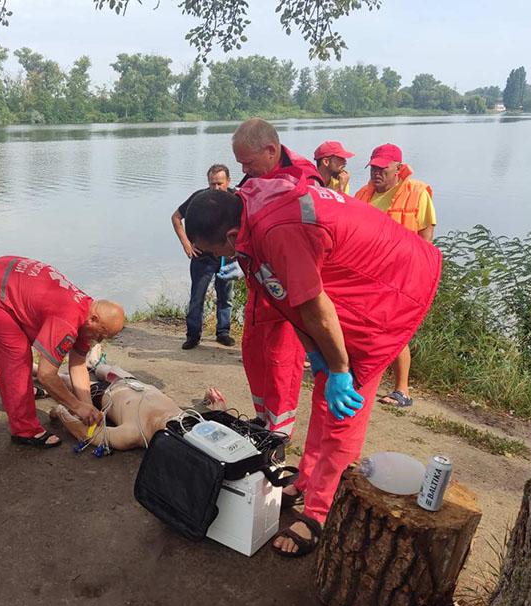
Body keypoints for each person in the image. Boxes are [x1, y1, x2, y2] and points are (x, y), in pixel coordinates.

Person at [183, 169, 441, 558]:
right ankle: (308, 479)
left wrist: (340, 369)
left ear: (231, 236)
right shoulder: (249, 214)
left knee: (343, 407)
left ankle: (320, 510)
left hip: (389, 290)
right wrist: (317, 355)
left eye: (214, 250)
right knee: (323, 392)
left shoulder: (277, 231)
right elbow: (286, 302)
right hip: (351, 285)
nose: (217, 259)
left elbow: (315, 306)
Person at [0, 256, 125, 448]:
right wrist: (76, 406)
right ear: (93, 319)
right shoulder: (67, 320)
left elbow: (78, 363)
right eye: (101, 334)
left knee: (20, 347)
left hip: (0, 276)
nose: (99, 340)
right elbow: (46, 375)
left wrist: (87, 406)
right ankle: (24, 431)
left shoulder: (86, 313)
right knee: (16, 353)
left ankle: (18, 392)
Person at [230, 118, 323, 438]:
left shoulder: (302, 182)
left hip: (286, 292)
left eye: (247, 162)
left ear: (270, 150)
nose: (244, 169)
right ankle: (262, 420)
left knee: (282, 363)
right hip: (259, 289)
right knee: (254, 355)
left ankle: (279, 435)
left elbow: (309, 243)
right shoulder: (258, 175)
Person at [355, 144, 437, 408]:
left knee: (395, 331)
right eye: (373, 168)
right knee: (363, 328)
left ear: (398, 169)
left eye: (383, 168)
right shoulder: (362, 194)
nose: (376, 173)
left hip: (400, 277)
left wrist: (415, 278)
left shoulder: (417, 193)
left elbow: (426, 240)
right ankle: (363, 376)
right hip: (368, 275)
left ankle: (403, 390)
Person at [49, 351, 228, 451]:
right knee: (108, 369)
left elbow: (87, 434)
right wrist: (218, 408)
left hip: (106, 393)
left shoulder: (131, 435)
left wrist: (61, 411)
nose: (171, 419)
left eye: (168, 427)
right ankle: (94, 362)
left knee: (66, 380)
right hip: (132, 382)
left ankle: (38, 370)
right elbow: (215, 429)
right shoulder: (185, 421)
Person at [171, 164, 236, 350]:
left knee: (226, 296)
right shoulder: (199, 198)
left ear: (228, 181)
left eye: (220, 183)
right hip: (202, 256)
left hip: (227, 256)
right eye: (212, 183)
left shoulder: (236, 199)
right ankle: (193, 335)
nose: (216, 188)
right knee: (197, 297)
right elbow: (176, 217)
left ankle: (223, 332)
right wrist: (186, 243)